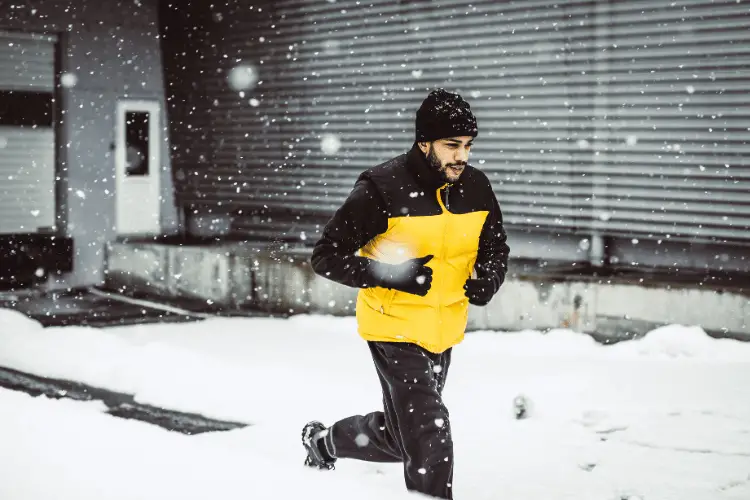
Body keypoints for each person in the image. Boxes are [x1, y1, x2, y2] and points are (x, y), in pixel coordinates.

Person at [303, 88, 510, 499]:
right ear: (424, 143)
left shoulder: (476, 187)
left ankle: (326, 442)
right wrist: (393, 275)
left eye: (467, 146)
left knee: (407, 438)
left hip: (444, 328)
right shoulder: (382, 187)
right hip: (393, 327)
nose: (461, 156)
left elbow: (494, 246)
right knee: (430, 435)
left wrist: (489, 276)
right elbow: (325, 255)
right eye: (452, 146)